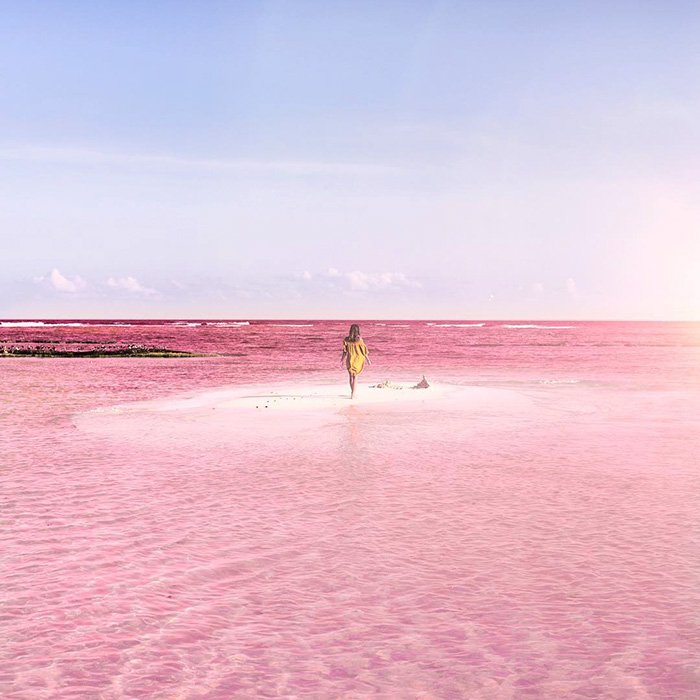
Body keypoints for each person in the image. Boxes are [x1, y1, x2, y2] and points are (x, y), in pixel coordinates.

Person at [340, 324, 371, 398]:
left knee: (350, 376)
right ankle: (353, 394)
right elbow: (364, 351)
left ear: (350, 330)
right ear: (358, 331)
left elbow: (344, 351)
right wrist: (368, 360)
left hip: (350, 359)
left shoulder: (346, 339)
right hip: (358, 359)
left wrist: (342, 360)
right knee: (355, 376)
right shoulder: (359, 340)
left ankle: (352, 393)